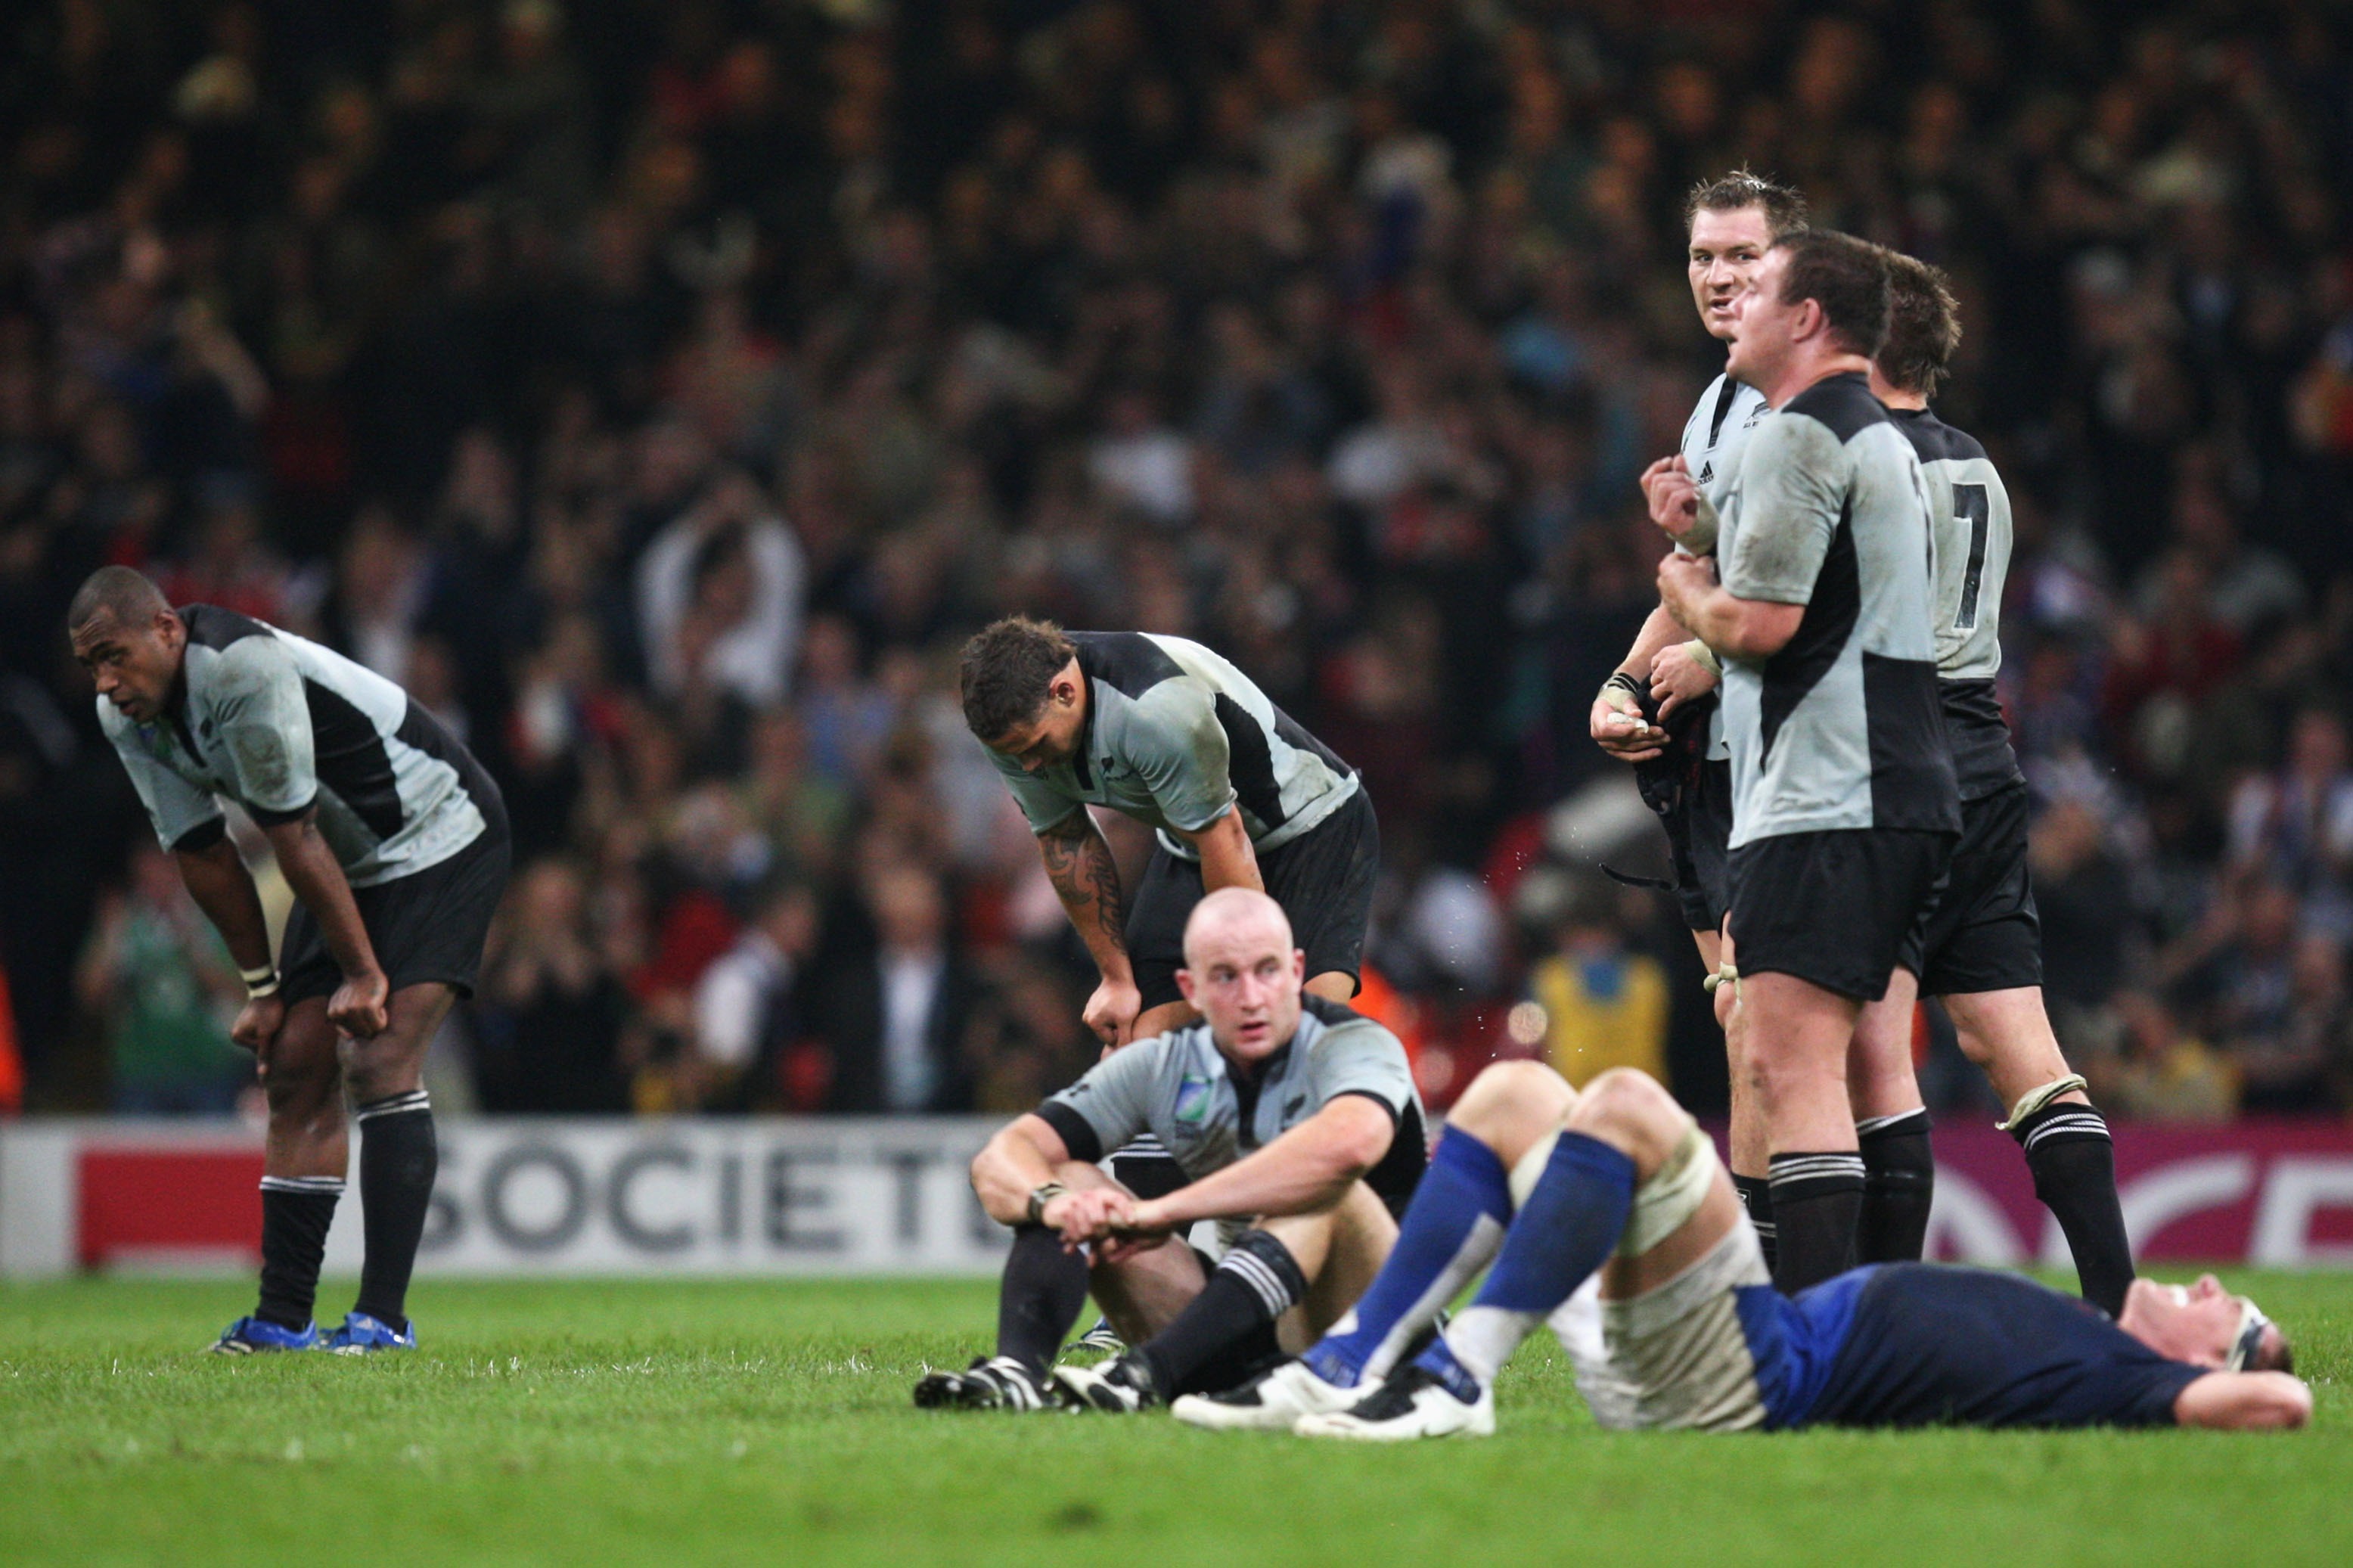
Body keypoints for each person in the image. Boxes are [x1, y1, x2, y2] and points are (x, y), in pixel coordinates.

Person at [1176, 1060, 2306, 1439]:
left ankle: (1452, 1377)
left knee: (1620, 1101)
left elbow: (2285, 1410)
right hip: (1709, 1351)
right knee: (1517, 1088)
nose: (2211, 1283)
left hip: (1742, 1368)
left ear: (2210, 1363)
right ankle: (1348, 1361)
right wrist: (2237, 1356)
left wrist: (2243, 1382)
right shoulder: (2090, 1344)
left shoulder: (2127, 1383)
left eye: (2229, 1309)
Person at [68, 566, 511, 1354]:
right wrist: (264, 990)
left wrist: (365, 975)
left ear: (167, 629)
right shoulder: (125, 716)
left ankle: (382, 1322)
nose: (105, 682)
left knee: (378, 1062)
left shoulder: (240, 666)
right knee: (295, 1065)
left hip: (441, 830)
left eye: (114, 655)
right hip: (346, 861)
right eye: (89, 666)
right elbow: (203, 853)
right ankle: (283, 1320)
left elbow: (292, 837)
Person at [1653, 231, 1958, 1292]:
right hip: (1905, 779)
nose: (1733, 299)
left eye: (1760, 285)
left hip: (1826, 791)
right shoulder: (1873, 432)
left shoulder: (1794, 435)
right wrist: (1707, 524)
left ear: (1806, 319)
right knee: (1865, 1066)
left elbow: (1762, 627)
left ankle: (1811, 1339)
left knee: (1788, 1067)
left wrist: (1682, 583)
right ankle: (1863, 1326)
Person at [912, 889, 1425, 1413]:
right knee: (1064, 1175)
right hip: (1240, 1323)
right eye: (1225, 976)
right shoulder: (1164, 1065)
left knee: (1329, 1188)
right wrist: (1054, 1203)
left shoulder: (1353, 1042)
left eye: (1266, 971)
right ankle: (1017, 1373)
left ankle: (1145, 1371)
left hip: (1372, 1327)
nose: (1250, 996)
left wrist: (1162, 1210)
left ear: (1296, 971)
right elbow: (1002, 1154)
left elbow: (1348, 1144)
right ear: (1191, 988)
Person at [1587, 169, 1805, 1259]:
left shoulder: (1823, 401)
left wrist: (1716, 665)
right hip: (1725, 768)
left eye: (1741, 255)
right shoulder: (1715, 407)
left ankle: (1811, 1279)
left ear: (1791, 265)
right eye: (1701, 258)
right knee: (1740, 1019)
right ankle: (1760, 1275)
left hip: (1815, 752)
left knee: (1805, 1036)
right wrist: (1625, 681)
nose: (1718, 277)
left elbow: (1849, 588)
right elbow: (1694, 577)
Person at [960, 616, 1376, 1048]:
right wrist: (1116, 980)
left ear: (1064, 693)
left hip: (1316, 830)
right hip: (1193, 843)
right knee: (1131, 1049)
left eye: (1036, 747)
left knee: (1295, 1043)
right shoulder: (1015, 728)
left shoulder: (1154, 708)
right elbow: (1067, 839)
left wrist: (1238, 980)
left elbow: (1226, 838)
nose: (1029, 767)